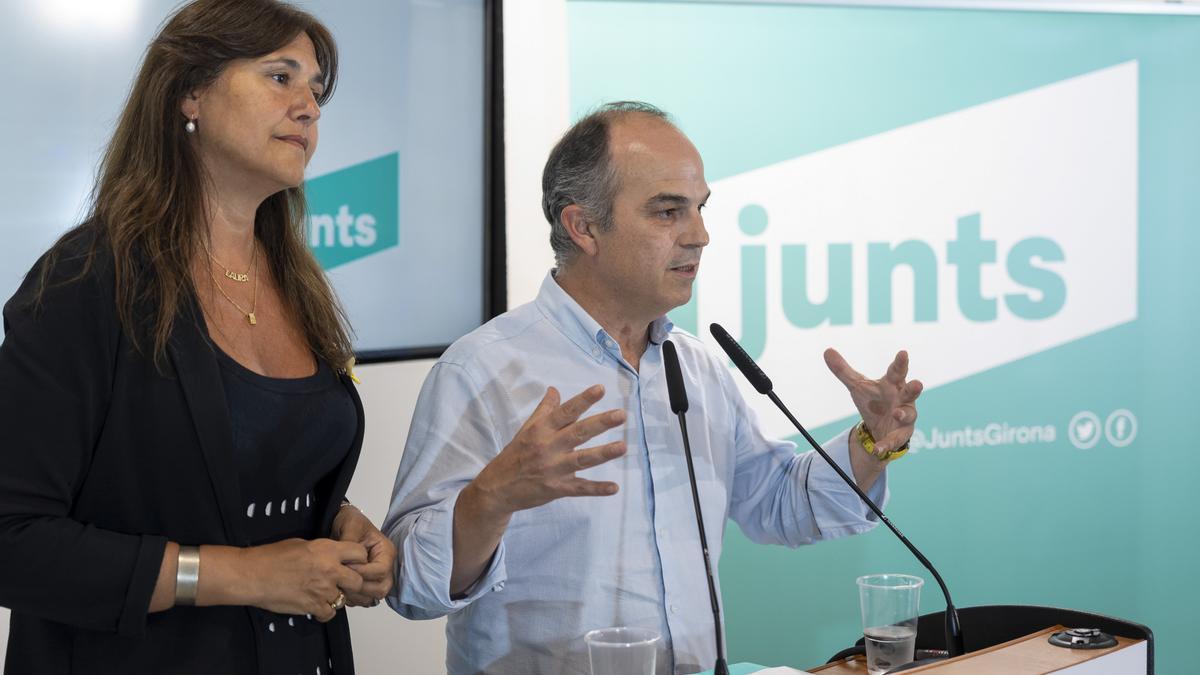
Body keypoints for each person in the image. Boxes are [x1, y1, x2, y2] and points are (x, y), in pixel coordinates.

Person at [383, 101, 923, 674]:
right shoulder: (483, 370)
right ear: (583, 226)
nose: (700, 235)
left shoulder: (695, 367)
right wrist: (493, 498)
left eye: (699, 209)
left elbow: (777, 503)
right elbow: (410, 583)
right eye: (668, 212)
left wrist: (872, 443)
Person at [0, 1, 396, 672]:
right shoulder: (87, 280)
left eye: (317, 90)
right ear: (190, 91)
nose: (309, 108)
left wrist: (335, 519)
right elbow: (12, 537)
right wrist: (244, 574)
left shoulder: (298, 283)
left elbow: (219, 472)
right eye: (281, 77)